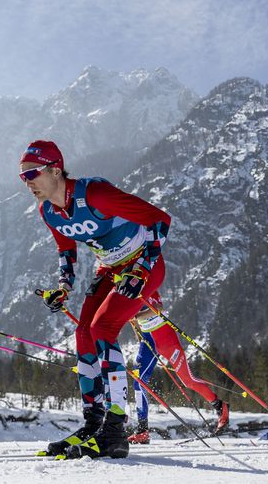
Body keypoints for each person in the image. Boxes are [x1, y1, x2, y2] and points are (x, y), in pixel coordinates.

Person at [20, 140, 171, 459]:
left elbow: (159, 220)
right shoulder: (49, 211)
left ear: (55, 169)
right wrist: (63, 287)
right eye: (23, 176)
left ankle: (116, 430)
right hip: (111, 268)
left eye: (32, 173)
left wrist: (142, 270)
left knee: (103, 328)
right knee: (84, 334)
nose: (28, 182)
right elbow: (66, 250)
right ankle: (94, 424)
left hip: (144, 262)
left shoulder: (95, 194)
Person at [127, 292, 230, 444]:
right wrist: (134, 323)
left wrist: (135, 315)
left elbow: (157, 308)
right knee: (139, 382)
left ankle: (220, 406)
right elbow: (135, 323)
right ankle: (142, 430)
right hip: (148, 342)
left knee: (188, 381)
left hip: (166, 341)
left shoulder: (147, 284)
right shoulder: (126, 293)